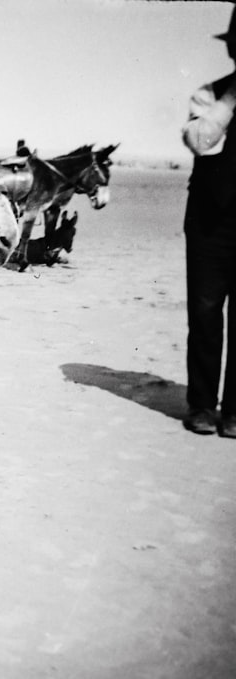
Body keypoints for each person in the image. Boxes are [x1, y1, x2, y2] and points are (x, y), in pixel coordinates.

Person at [181, 6, 236, 437]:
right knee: (204, 314)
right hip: (209, 226)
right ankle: (201, 405)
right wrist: (232, 100)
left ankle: (234, 411)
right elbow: (201, 141)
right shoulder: (207, 97)